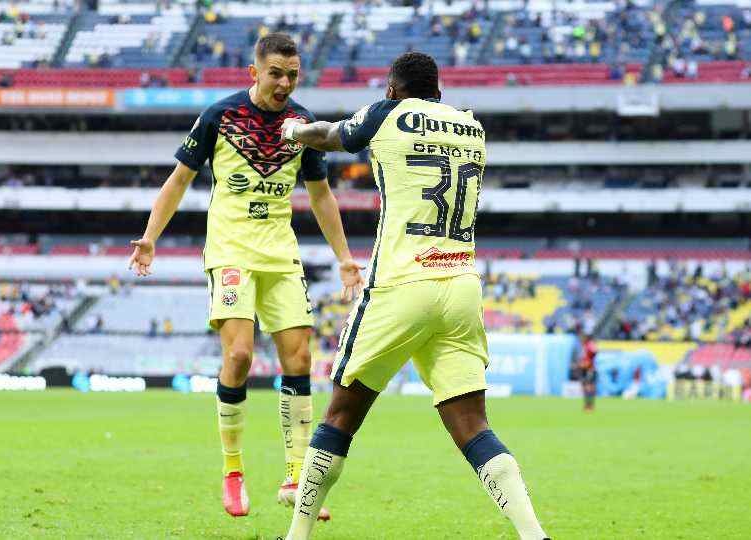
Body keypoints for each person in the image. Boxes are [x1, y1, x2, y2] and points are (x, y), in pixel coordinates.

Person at [278, 52, 549, 539]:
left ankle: (295, 537)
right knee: (473, 424)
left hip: (402, 283)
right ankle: (535, 536)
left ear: (392, 87)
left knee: (341, 414)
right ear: (438, 89)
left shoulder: (387, 114)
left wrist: (294, 132)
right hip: (462, 285)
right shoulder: (472, 127)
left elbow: (332, 136)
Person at [128, 33, 363, 519]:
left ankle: (297, 476)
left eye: (292, 74)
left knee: (299, 357)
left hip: (280, 253)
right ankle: (233, 470)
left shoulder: (302, 124)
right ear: (254, 73)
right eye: (276, 73)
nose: (284, 82)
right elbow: (178, 181)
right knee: (237, 355)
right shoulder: (220, 116)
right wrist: (151, 236)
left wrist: (343, 256)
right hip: (231, 250)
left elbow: (320, 195)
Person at [579, 332, 597, 411]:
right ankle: (587, 404)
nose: (581, 339)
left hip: (589, 369)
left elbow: (594, 352)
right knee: (585, 387)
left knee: (589, 387)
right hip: (584, 369)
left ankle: (590, 405)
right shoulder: (584, 346)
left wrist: (587, 363)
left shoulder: (590, 345)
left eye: (583, 337)